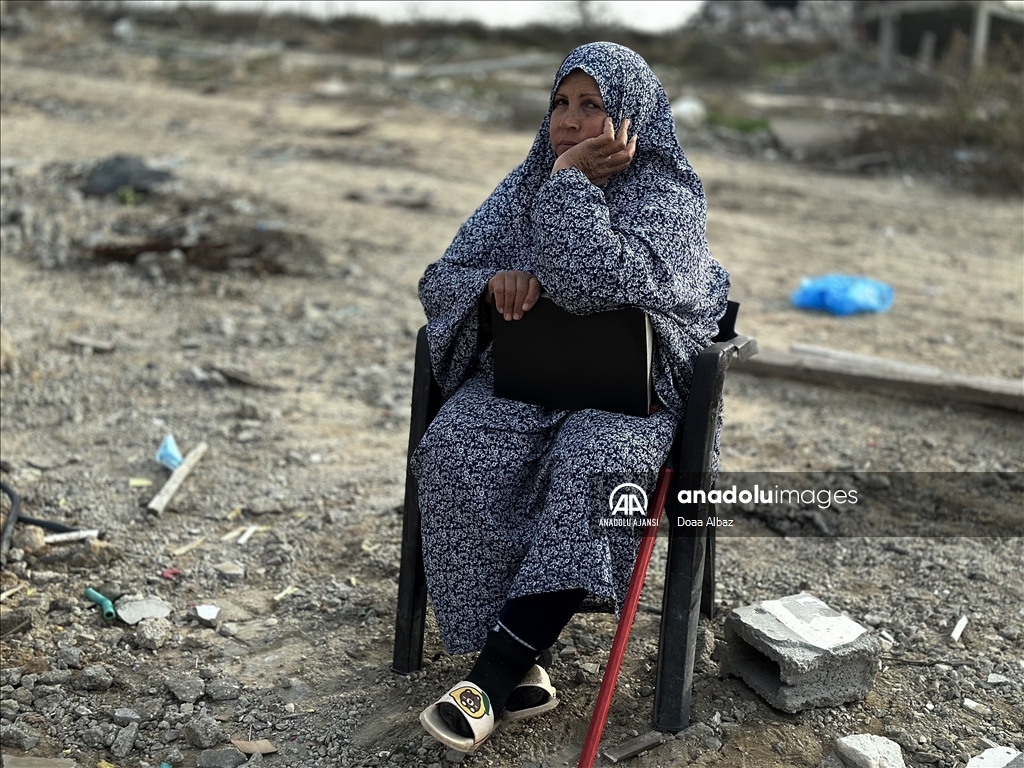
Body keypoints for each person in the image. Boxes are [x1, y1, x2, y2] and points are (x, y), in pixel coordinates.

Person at [411, 41, 729, 752]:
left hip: (633, 399)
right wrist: (490, 287)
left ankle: (492, 679)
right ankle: (527, 655)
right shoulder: (522, 183)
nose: (568, 119)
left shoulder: (669, 198)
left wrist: (571, 184)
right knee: (458, 446)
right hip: (529, 380)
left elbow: (590, 283)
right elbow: (442, 275)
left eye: (593, 106)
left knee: (595, 464)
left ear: (633, 119)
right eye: (560, 103)